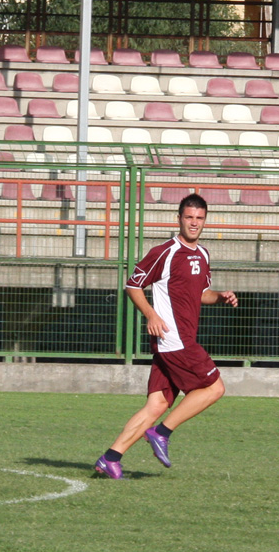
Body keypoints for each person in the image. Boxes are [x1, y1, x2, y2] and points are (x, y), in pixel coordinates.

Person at [94, 193, 238, 480]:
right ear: (178, 219)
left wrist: (220, 296)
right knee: (214, 388)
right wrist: (151, 314)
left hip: (176, 341)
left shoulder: (203, 254)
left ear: (205, 221)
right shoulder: (165, 251)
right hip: (174, 339)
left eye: (199, 218)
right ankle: (161, 432)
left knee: (157, 404)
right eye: (189, 217)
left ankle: (110, 458)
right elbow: (133, 285)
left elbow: (201, 293)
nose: (194, 223)